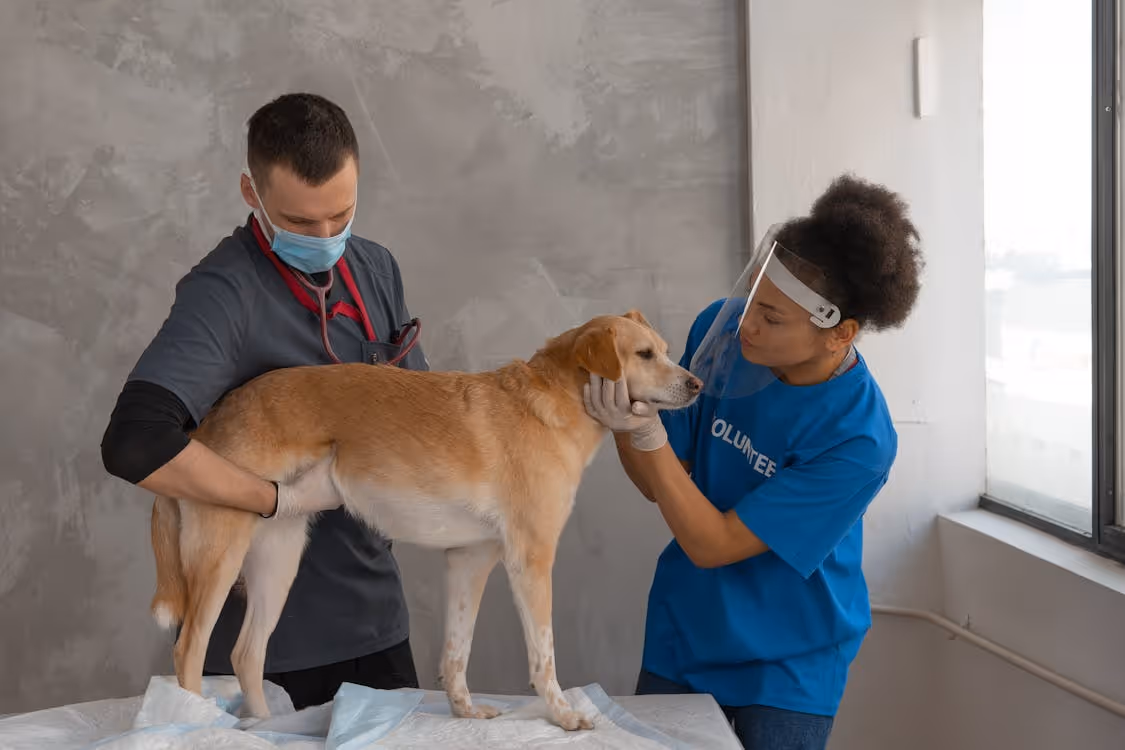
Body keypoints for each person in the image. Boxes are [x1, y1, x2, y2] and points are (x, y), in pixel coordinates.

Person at [101, 92, 428, 710]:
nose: (328, 236)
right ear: (252, 193)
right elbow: (134, 441)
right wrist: (277, 500)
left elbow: (417, 408)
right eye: (302, 223)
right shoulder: (224, 293)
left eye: (342, 213)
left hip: (378, 624)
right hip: (280, 650)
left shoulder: (377, 268)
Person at [584, 174, 923, 750]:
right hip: (686, 630)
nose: (748, 322)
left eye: (773, 316)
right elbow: (660, 483)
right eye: (753, 298)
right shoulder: (723, 335)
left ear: (837, 334)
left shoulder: (858, 439)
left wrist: (645, 432)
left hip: (790, 659)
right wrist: (627, 423)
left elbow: (713, 543)